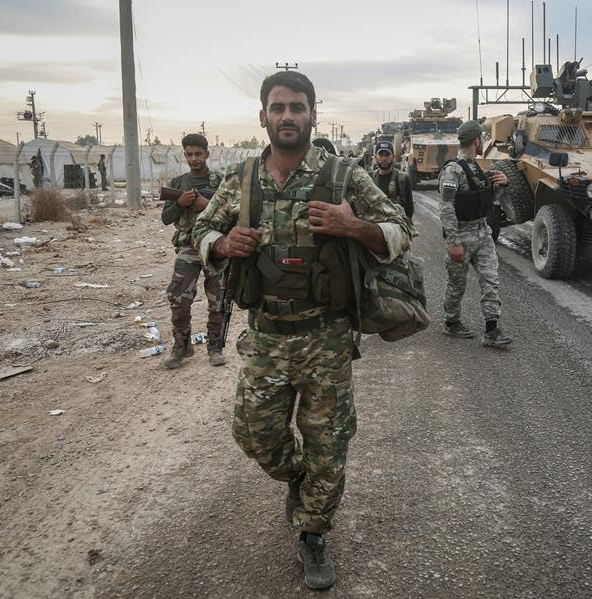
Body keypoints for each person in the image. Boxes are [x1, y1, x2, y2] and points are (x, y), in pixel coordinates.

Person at [192, 70, 411, 590]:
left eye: (297, 107)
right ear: (263, 116)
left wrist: (350, 225)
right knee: (255, 436)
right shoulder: (242, 178)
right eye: (278, 107)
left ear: (313, 113)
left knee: (329, 444)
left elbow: (401, 229)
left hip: (326, 340)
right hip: (266, 337)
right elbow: (201, 229)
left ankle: (313, 531)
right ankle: (298, 479)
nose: (287, 116)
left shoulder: (342, 177)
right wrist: (223, 245)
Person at [438, 120, 512, 348]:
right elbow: (447, 208)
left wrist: (501, 184)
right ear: (477, 141)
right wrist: (454, 243)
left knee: (490, 280)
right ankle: (451, 323)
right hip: (461, 235)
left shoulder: (477, 168)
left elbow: (488, 200)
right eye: (482, 139)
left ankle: (492, 330)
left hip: (482, 233)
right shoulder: (452, 171)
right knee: (457, 284)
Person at [160, 133, 225, 369]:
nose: (194, 158)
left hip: (216, 245)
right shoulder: (179, 183)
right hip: (188, 247)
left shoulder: (221, 181)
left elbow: (235, 212)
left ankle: (215, 347)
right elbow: (166, 218)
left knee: (218, 300)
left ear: (207, 154)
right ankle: (181, 346)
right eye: (189, 154)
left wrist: (206, 206)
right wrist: (180, 204)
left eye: (198, 154)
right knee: (178, 298)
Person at [369, 141, 413, 220]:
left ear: (393, 157)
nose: (384, 158)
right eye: (381, 155)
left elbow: (409, 209)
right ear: (375, 157)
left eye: (387, 155)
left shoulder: (403, 178)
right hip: (375, 223)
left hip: (396, 223)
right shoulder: (369, 178)